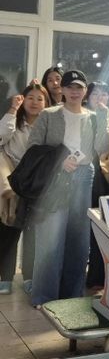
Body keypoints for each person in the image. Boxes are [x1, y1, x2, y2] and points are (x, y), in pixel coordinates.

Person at [28, 70, 109, 306]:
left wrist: (103, 119)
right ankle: (44, 297)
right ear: (62, 90)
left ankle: (71, 296)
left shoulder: (93, 116)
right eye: (70, 87)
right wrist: (59, 161)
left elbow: (102, 148)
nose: (74, 92)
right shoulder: (48, 114)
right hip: (54, 178)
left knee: (79, 239)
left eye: (79, 87)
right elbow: (33, 147)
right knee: (50, 238)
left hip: (84, 176)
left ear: (85, 91)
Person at [0, 83, 48, 294]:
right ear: (23, 100)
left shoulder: (47, 125)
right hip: (14, 181)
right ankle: (5, 278)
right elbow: (1, 136)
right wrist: (13, 109)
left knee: (32, 232)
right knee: (9, 229)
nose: (34, 102)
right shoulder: (15, 122)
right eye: (30, 98)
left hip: (36, 182)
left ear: (46, 103)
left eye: (40, 98)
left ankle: (29, 277)